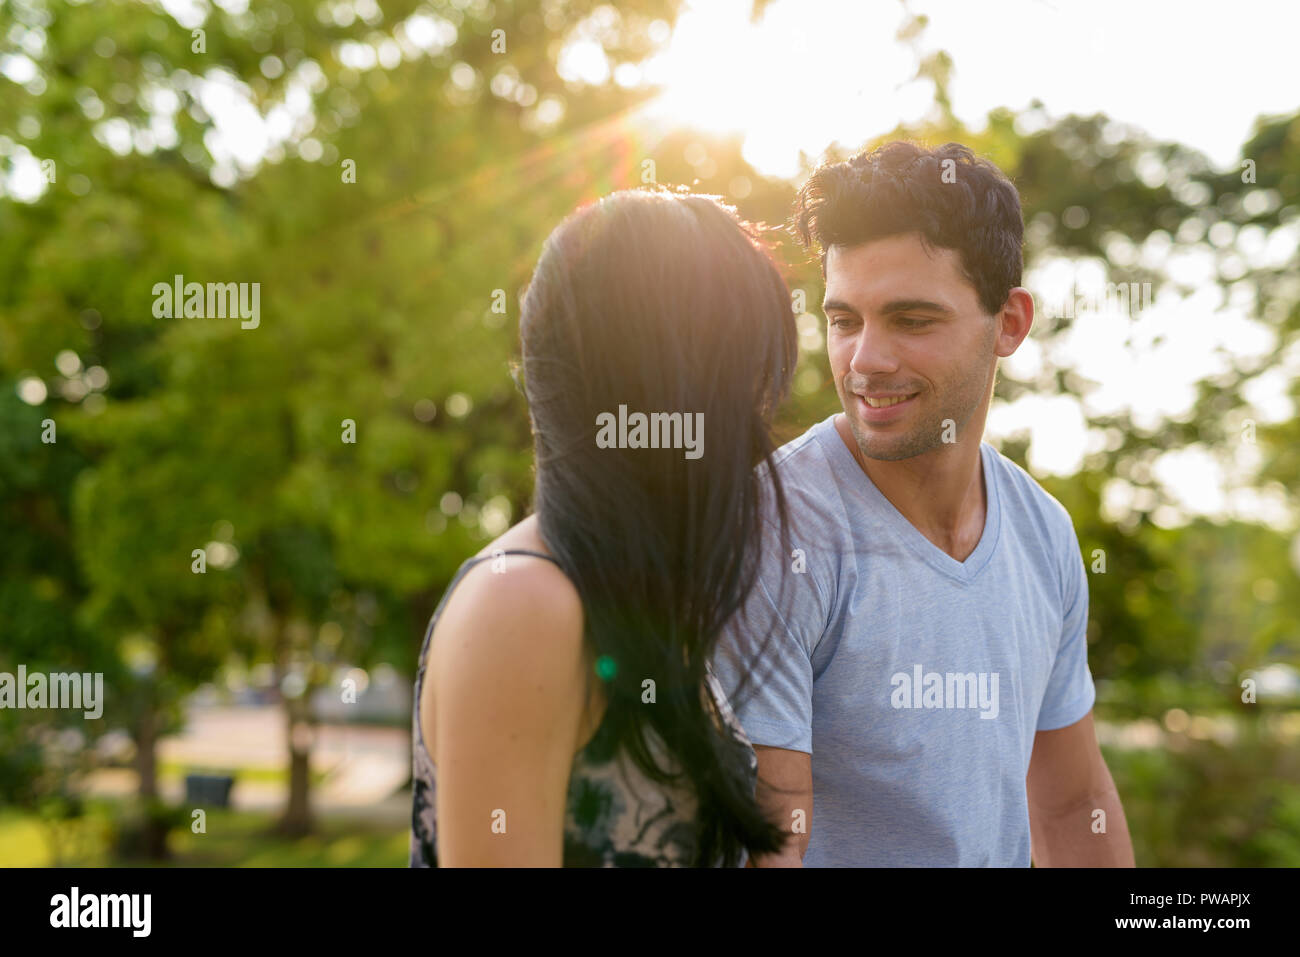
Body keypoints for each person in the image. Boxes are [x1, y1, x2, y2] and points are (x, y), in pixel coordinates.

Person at [712, 141, 1136, 867]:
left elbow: (1069, 803)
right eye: (844, 320)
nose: (865, 360)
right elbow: (770, 840)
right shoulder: (776, 528)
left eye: (911, 320)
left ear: (1010, 323)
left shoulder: (1044, 533)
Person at [411, 188, 799, 866]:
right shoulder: (524, 605)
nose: (759, 420)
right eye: (747, 381)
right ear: (679, 393)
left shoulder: (625, 603)